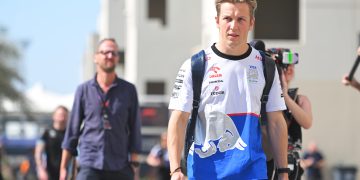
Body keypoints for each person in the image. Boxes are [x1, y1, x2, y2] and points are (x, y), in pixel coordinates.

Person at [167, 0, 289, 179]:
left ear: (251, 23)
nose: (233, 26)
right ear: (217, 21)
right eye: (227, 18)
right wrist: (175, 169)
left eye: (241, 19)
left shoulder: (266, 66)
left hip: (252, 172)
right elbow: (178, 120)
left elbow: (276, 122)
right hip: (204, 172)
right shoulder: (194, 66)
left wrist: (283, 171)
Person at [59, 38, 142, 180]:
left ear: (117, 58)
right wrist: (63, 169)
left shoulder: (129, 90)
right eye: (105, 52)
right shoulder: (83, 90)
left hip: (119, 165)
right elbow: (72, 131)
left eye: (114, 53)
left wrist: (134, 166)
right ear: (95, 57)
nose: (110, 56)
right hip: (90, 163)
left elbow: (135, 128)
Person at [269, 58, 313, 180]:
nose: (290, 70)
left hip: (292, 163)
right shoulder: (266, 97)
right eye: (285, 67)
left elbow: (307, 123)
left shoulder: (300, 99)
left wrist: (287, 97)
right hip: (270, 160)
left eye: (292, 67)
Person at [34, 105, 69, 180]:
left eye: (64, 115)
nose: (62, 118)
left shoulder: (70, 134)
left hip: (65, 174)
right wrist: (40, 169)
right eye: (60, 115)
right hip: (49, 172)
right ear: (54, 116)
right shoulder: (46, 132)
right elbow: (38, 152)